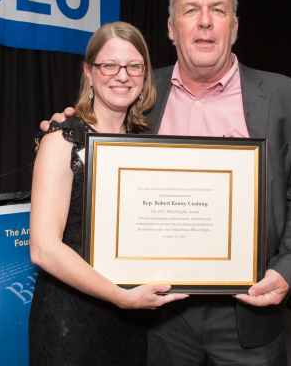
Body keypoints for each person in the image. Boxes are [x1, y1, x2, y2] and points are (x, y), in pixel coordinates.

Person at [41, 0, 291, 365]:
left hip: (248, 311)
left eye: (218, 10)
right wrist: (64, 127)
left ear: (235, 26)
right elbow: (93, 135)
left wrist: (286, 271)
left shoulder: (287, 98)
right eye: (191, 10)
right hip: (160, 316)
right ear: (172, 28)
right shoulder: (139, 93)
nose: (205, 22)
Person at [29, 21, 188, 366]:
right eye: (109, 65)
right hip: (70, 318)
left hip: (131, 318)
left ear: (145, 75)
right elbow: (44, 249)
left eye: (134, 66)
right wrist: (120, 297)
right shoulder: (62, 139)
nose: (122, 75)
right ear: (89, 72)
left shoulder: (147, 142)